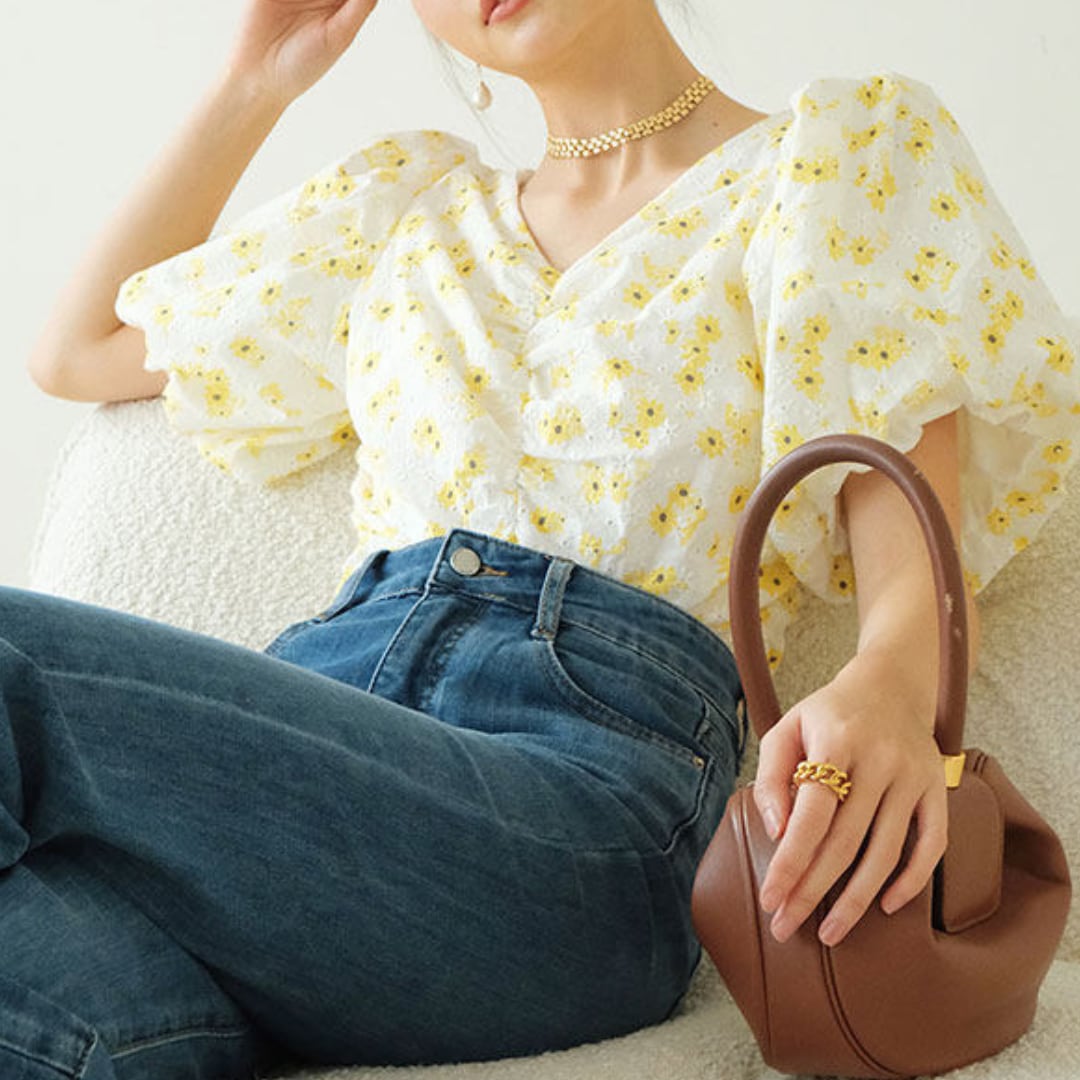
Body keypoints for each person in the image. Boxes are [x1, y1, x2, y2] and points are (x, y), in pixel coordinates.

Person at [17, 0, 1079, 1077]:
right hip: (309, 767)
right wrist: (256, 83)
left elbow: (908, 537)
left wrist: (889, 688)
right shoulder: (402, 215)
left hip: (580, 818)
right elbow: (79, 349)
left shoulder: (834, 164)